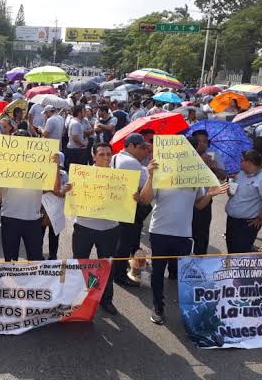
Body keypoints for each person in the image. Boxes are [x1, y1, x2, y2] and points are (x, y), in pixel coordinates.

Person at [141, 159, 227, 325]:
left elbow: (199, 205)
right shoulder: (160, 176)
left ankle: (189, 310)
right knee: (158, 271)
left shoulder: (193, 179)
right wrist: (151, 177)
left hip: (183, 235)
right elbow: (145, 200)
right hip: (159, 232)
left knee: (185, 274)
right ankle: (158, 307)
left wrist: (209, 194)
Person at [67, 143, 124, 315]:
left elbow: (126, 203)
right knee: (80, 262)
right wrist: (69, 190)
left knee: (106, 265)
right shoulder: (82, 175)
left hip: (110, 229)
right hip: (84, 227)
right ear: (94, 156)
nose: (106, 158)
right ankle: (79, 296)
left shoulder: (120, 178)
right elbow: (70, 198)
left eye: (108, 154)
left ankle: (105, 299)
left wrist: (133, 197)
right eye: (101, 154)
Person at [0, 131, 60, 262]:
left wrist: (55, 166)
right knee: (10, 262)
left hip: (33, 220)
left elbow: (55, 189)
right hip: (10, 218)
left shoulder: (42, 164)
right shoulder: (4, 163)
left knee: (35, 261)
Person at [111, 133, 150, 286]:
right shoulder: (131, 162)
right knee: (124, 244)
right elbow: (145, 183)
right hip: (129, 209)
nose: (144, 152)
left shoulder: (115, 157)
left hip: (118, 207)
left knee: (121, 242)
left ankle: (120, 270)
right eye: (142, 148)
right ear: (132, 146)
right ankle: (119, 275)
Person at [224, 150, 262, 253]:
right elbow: (231, 193)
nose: (239, 163)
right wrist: (230, 186)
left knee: (240, 253)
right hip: (232, 220)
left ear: (250, 162)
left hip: (246, 224)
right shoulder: (240, 174)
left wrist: (260, 218)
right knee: (231, 249)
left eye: (241, 161)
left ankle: (239, 269)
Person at [189, 130, 227, 255]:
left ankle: (200, 259)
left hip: (204, 199)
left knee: (202, 232)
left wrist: (213, 167)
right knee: (185, 234)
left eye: (205, 141)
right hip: (185, 199)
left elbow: (223, 176)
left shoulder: (213, 154)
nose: (202, 144)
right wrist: (199, 161)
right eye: (198, 141)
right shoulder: (185, 154)